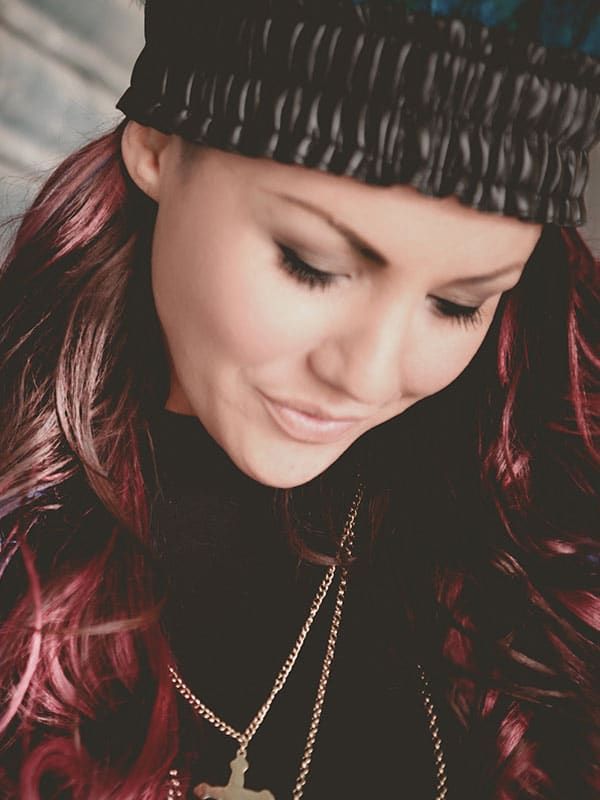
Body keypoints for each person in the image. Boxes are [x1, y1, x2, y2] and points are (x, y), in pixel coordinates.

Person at [0, 1, 598, 798]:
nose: (370, 376)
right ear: (157, 144)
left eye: (458, 304)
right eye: (311, 264)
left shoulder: (534, 538)